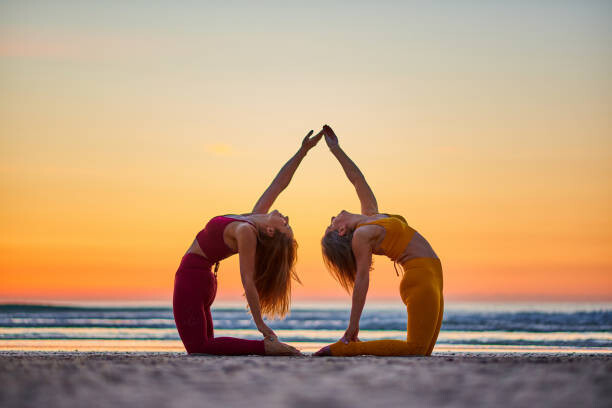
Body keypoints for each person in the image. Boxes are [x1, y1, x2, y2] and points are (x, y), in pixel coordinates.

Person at [173, 129, 323, 355]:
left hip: (192, 279)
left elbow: (248, 281)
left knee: (199, 347)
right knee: (206, 348)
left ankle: (266, 348)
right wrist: (303, 151)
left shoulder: (246, 231)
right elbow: (279, 184)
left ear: (272, 231)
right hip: (201, 279)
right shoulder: (254, 219)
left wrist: (260, 325)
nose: (286, 218)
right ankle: (267, 348)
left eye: (286, 225)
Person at [314, 125, 443, 356]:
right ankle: (343, 349)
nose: (333, 217)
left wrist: (336, 149)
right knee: (416, 349)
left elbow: (357, 180)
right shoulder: (362, 236)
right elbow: (362, 280)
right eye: (331, 222)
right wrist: (353, 325)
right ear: (342, 230)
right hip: (419, 277)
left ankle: (347, 348)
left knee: (424, 352)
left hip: (433, 276)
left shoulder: (369, 218)